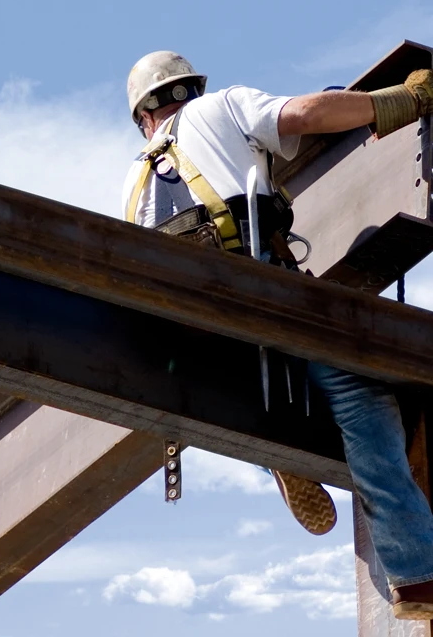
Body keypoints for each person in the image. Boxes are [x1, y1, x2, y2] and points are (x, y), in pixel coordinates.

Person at [123, 50, 433, 620]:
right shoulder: (221, 107)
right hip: (254, 289)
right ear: (189, 90)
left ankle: (276, 451)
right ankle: (416, 573)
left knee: (258, 391)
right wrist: (403, 101)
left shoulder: (134, 178)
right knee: (359, 396)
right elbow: (307, 114)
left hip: (180, 334)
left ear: (143, 116)